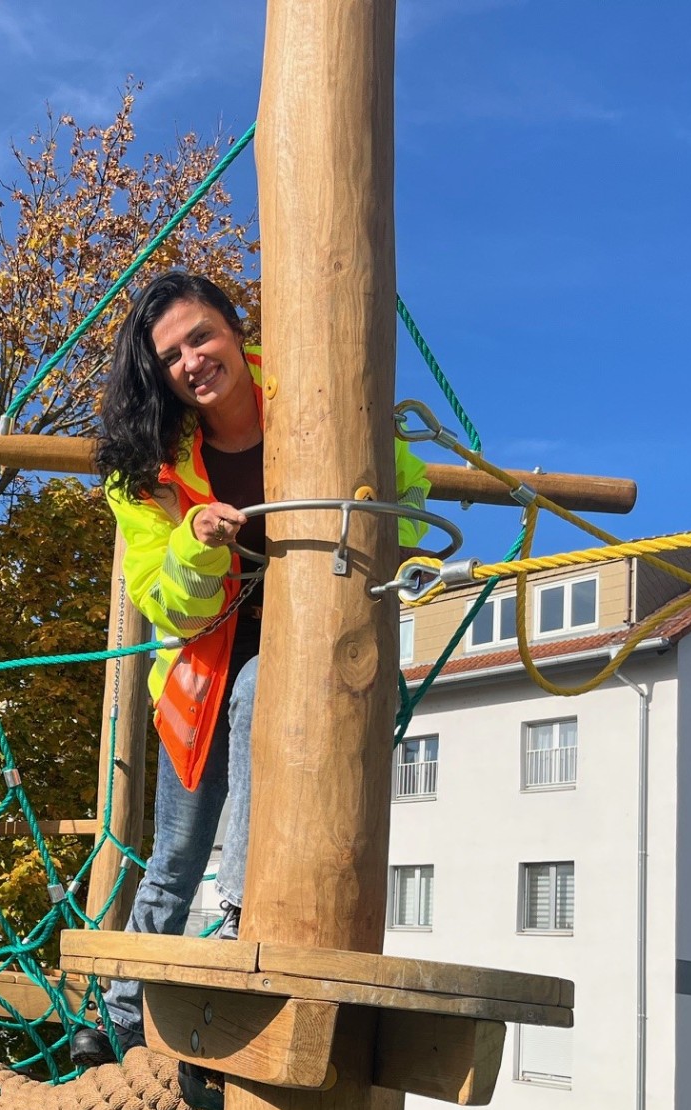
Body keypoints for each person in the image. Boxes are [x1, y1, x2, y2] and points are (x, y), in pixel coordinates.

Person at [76, 271, 429, 1060]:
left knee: (266, 688)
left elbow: (401, 482)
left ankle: (238, 921)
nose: (192, 361)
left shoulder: (312, 391)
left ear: (236, 330)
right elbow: (168, 606)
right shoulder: (150, 466)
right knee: (173, 851)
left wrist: (382, 512)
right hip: (201, 672)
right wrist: (196, 544)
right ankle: (116, 1018)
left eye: (202, 336)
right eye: (169, 355)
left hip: (307, 650)